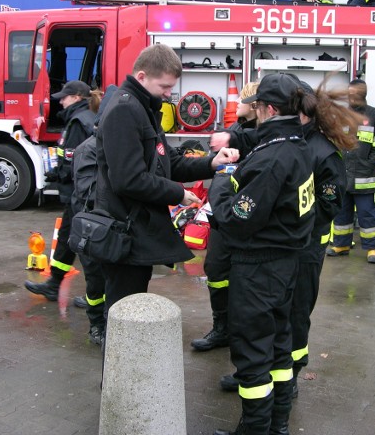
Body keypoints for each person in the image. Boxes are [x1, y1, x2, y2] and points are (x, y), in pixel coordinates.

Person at [94, 44, 238, 321]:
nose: (169, 94)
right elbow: (128, 180)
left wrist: (211, 162)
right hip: (123, 232)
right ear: (142, 76)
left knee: (133, 309)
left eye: (171, 87)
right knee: (124, 315)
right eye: (164, 86)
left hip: (136, 231)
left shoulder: (144, 107)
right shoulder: (125, 111)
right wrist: (178, 194)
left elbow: (167, 162)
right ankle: (121, 364)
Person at [210, 73, 316, 435]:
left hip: (259, 268)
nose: (252, 113)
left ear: (268, 108)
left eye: (255, 107)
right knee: (279, 350)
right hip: (285, 264)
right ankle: (277, 427)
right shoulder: (297, 145)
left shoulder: (274, 157)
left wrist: (223, 180)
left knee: (253, 355)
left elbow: (235, 218)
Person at [191, 82, 259, 352]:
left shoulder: (266, 136)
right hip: (222, 216)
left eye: (241, 99)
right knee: (216, 270)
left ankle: (243, 334)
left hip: (247, 218)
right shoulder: (234, 131)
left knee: (247, 280)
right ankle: (222, 328)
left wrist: (232, 141)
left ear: (255, 105)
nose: (236, 104)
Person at [24, 81, 100, 303]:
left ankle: (96, 295)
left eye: (64, 97)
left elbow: (74, 160)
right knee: (67, 238)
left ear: (76, 97)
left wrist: (59, 174)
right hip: (79, 194)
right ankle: (54, 284)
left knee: (85, 245)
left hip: (80, 195)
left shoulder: (78, 121)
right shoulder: (86, 117)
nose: (60, 101)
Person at [68, 85, 117, 345]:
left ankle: (108, 321)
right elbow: (88, 192)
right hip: (93, 231)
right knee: (95, 281)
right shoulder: (88, 149)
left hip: (112, 228)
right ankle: (96, 324)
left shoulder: (116, 144)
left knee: (111, 280)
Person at [326, 79, 375, 264]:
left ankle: (372, 249)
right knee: (341, 213)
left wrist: (368, 165)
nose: (350, 97)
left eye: (354, 93)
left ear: (362, 94)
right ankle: (341, 244)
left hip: (364, 178)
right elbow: (333, 142)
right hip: (343, 177)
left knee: (367, 215)